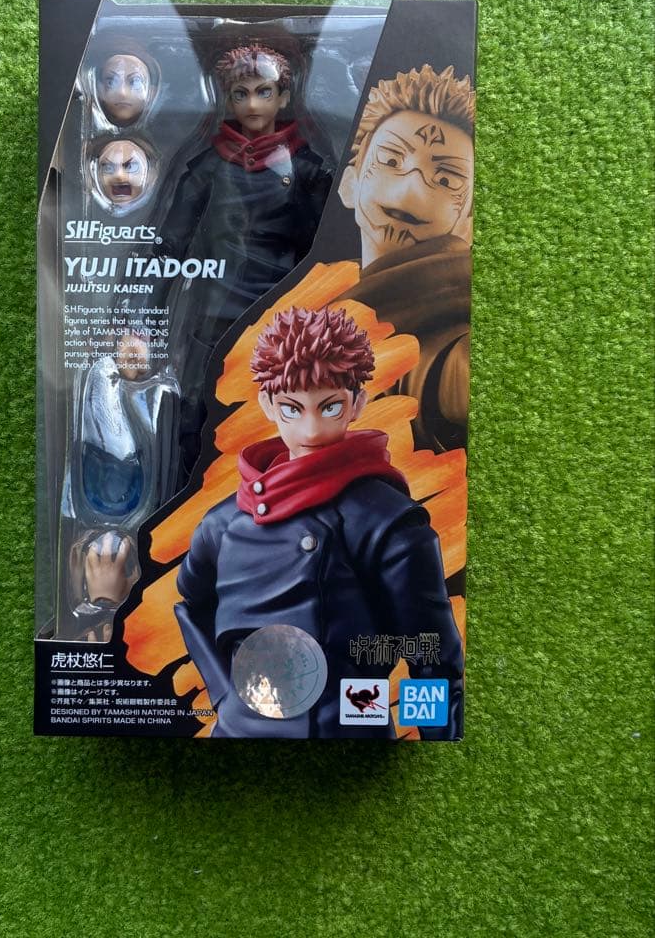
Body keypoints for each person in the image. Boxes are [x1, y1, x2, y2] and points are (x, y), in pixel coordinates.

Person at [174, 306, 463, 739]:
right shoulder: (224, 522)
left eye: (329, 407)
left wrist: (440, 743)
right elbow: (191, 605)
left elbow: (431, 657)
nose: (311, 431)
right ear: (267, 405)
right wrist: (223, 694)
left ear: (357, 404)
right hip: (239, 735)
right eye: (292, 409)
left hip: (349, 734)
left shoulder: (385, 521)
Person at [161, 43, 333, 474]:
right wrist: (139, 321)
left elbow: (330, 251)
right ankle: (186, 499)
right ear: (227, 98)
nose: (253, 105)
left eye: (263, 91)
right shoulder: (208, 168)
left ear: (284, 97)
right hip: (215, 315)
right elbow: (167, 247)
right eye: (241, 94)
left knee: (283, 419)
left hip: (283, 317)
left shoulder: (309, 170)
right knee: (196, 414)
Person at [337, 64, 475, 452]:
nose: (412, 186)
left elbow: (449, 376)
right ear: (349, 184)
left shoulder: (455, 338)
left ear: (470, 223)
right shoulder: (320, 299)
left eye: (446, 179)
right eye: (392, 160)